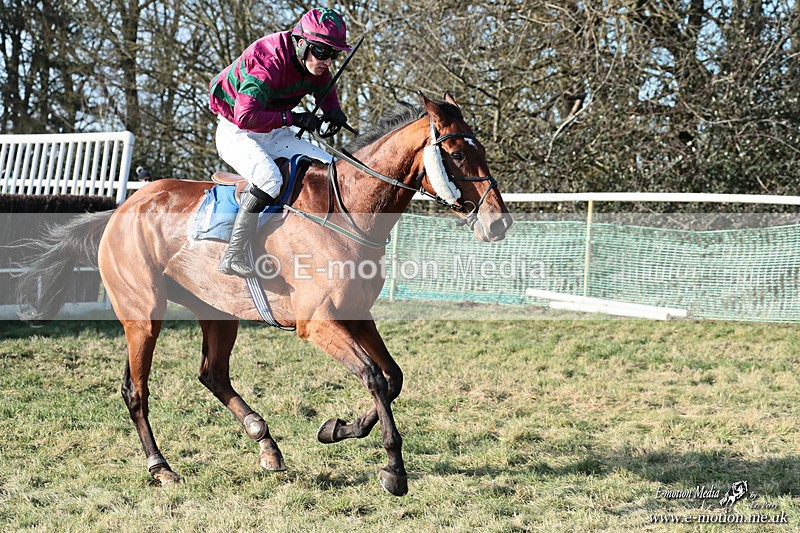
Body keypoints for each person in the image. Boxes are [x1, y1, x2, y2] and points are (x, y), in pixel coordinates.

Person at [209, 8, 351, 278]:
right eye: (323, 52)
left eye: (334, 54)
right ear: (301, 43)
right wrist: (293, 118)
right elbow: (245, 117)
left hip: (272, 130)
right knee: (270, 180)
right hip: (237, 131)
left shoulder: (313, 61)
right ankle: (233, 254)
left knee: (332, 170)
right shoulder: (269, 60)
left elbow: (325, 85)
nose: (328, 61)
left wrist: (333, 110)